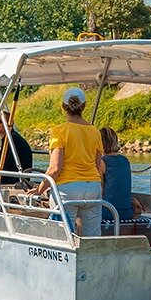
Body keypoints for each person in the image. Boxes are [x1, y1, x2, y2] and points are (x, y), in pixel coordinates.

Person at [40, 87, 104, 235]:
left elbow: (55, 168)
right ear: (84, 106)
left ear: (63, 107)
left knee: (63, 236)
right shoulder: (95, 132)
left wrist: (39, 189)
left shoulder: (59, 131)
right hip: (92, 188)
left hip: (67, 189)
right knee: (92, 238)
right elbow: (97, 166)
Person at [98, 126, 137, 229]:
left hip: (107, 212)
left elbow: (99, 192)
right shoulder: (125, 160)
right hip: (126, 212)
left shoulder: (102, 162)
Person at [0, 108, 33, 185]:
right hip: (11, 180)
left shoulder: (12, 140)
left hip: (15, 182)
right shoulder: (10, 138)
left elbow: (3, 167)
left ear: (9, 124)